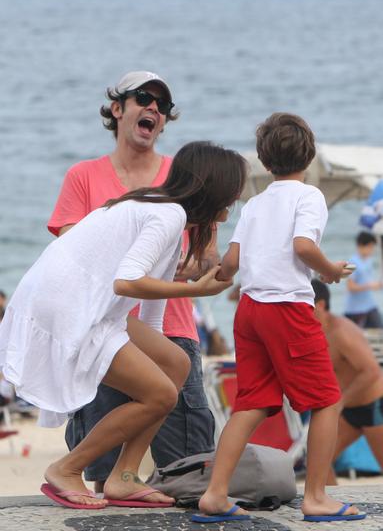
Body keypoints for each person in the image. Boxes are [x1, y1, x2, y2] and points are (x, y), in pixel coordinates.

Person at [0, 141, 247, 509]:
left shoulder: (161, 208)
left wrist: (159, 362)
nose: (233, 204)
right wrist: (196, 289)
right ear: (215, 193)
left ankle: (124, 476)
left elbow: (151, 310)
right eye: (232, 195)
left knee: (175, 365)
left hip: (84, 301)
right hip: (71, 306)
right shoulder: (169, 216)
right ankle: (66, 469)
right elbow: (127, 282)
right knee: (160, 394)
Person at [48, 71, 220, 499]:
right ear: (117, 109)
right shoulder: (83, 175)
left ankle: (128, 480)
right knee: (99, 471)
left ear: (164, 122)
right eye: (143, 97)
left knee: (189, 463)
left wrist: (178, 267)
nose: (154, 108)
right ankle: (104, 480)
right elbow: (71, 249)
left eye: (162, 105)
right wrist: (141, 264)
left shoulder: (183, 178)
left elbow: (207, 256)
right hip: (102, 331)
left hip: (173, 331)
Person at [194, 112, 365, 524]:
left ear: (264, 161)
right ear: (308, 154)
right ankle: (318, 497)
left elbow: (231, 263)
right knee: (326, 401)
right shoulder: (309, 198)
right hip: (286, 308)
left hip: (249, 311)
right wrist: (327, 270)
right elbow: (304, 246)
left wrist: (197, 276)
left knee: (251, 404)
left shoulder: (254, 204)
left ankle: (216, 494)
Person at [312, 278, 383, 485]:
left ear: (321, 305)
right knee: (318, 462)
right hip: (348, 411)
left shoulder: (342, 332)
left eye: (305, 306)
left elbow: (371, 372)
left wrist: (340, 401)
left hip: (374, 407)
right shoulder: (316, 331)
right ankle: (332, 503)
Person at [344, 231, 383, 328]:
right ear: (361, 245)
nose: (372, 250)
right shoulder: (351, 263)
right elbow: (350, 287)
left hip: (369, 305)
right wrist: (369, 285)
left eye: (373, 247)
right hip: (355, 310)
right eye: (370, 247)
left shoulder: (369, 260)